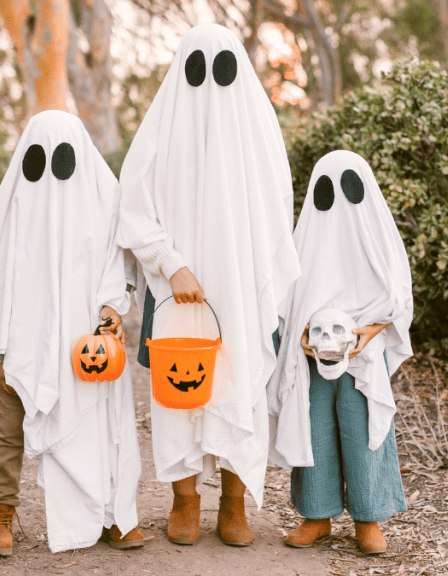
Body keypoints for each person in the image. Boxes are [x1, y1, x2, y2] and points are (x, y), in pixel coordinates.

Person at [117, 23, 300, 547]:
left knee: (240, 386)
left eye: (222, 70)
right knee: (178, 389)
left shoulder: (260, 134)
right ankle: (185, 497)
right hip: (175, 289)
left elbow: (275, 219)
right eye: (198, 70)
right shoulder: (159, 131)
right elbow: (132, 208)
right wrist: (169, 262)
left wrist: (256, 282)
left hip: (241, 289)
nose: (210, 86)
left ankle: (235, 500)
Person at [0, 110, 143, 555]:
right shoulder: (15, 202)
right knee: (8, 426)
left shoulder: (105, 198)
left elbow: (120, 261)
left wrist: (112, 306)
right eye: (37, 157)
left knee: (103, 425)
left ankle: (112, 512)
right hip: (24, 337)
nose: (49, 168)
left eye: (62, 157)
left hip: (86, 340)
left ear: (80, 155)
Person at [268, 150, 413, 555]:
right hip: (312, 357)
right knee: (315, 431)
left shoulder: (378, 237)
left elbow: (399, 297)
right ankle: (317, 515)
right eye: (326, 189)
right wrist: (298, 335)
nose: (337, 199)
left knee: (362, 429)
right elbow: (287, 298)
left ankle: (368, 519)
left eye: (348, 187)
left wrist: (369, 331)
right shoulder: (305, 241)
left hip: (363, 356)